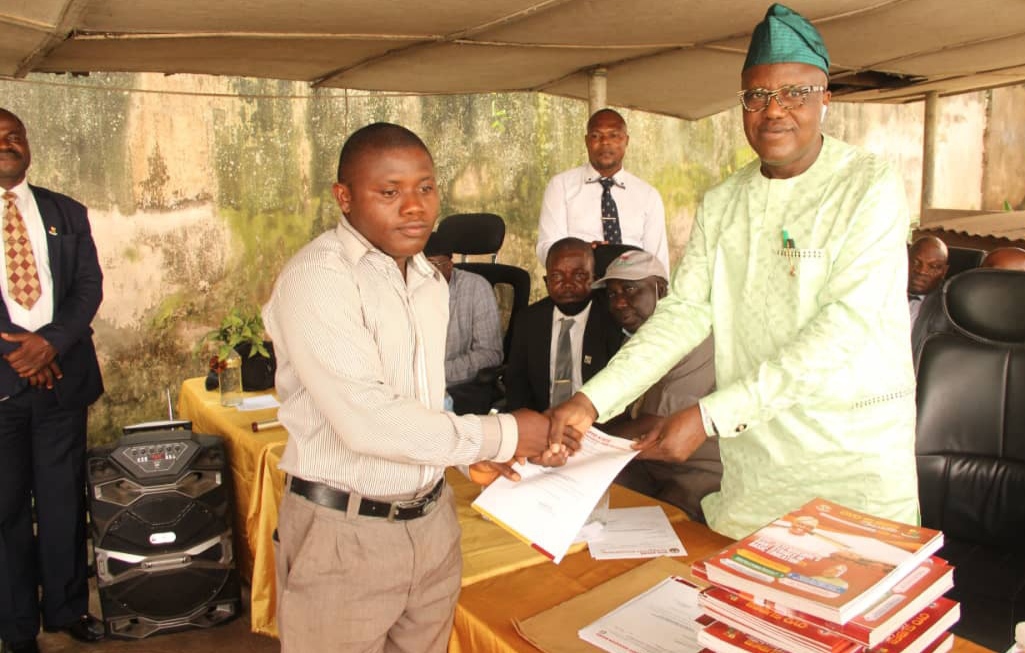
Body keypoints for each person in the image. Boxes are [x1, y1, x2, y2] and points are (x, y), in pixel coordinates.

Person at [548, 3, 920, 540]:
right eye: (757, 96)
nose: (774, 111)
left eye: (795, 93)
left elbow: (844, 330)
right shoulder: (724, 201)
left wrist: (709, 417)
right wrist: (593, 399)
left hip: (848, 459)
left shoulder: (869, 186)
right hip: (757, 466)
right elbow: (684, 312)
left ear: (826, 99)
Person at [261, 122, 556, 653]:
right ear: (344, 197)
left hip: (432, 523)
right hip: (346, 534)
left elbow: (421, 398)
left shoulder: (426, 279)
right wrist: (505, 435)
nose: (415, 207)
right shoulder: (320, 278)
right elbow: (369, 419)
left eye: (426, 187)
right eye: (389, 192)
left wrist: (467, 459)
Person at [0, 109, 105, 653]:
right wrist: (19, 353)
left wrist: (51, 344)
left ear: (28, 145)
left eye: (14, 135)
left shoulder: (66, 211)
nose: (7, 144)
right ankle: (17, 627)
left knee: (64, 501)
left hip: (63, 381)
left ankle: (66, 610)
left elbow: (88, 287)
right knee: (7, 510)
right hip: (4, 387)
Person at [593, 250, 719, 522]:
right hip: (647, 462)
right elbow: (624, 414)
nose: (620, 302)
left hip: (696, 468)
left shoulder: (696, 339)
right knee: (587, 495)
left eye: (630, 289)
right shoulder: (633, 342)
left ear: (660, 290)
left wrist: (584, 444)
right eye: (612, 294)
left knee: (663, 522)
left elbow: (656, 424)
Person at [535, 109, 669, 271]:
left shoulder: (648, 196)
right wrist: (582, 253)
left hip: (632, 284)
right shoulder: (560, 186)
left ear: (626, 140)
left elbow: (658, 262)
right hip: (579, 281)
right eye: (596, 136)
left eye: (614, 135)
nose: (605, 142)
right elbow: (546, 248)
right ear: (586, 141)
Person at [505, 237, 622, 413]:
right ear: (546, 282)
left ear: (595, 279)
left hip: (597, 420)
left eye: (579, 275)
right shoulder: (529, 320)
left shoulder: (612, 318)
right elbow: (517, 386)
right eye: (557, 276)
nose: (567, 284)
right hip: (541, 420)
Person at [423, 231, 503, 412]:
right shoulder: (408, 288)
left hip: (462, 386)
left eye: (433, 265)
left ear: (450, 266)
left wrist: (437, 374)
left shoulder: (476, 287)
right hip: (417, 388)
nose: (425, 272)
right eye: (419, 265)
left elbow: (490, 354)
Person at [907, 235, 948, 329]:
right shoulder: (882, 288)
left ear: (944, 271)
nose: (922, 271)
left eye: (933, 266)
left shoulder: (947, 307)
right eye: (916, 262)